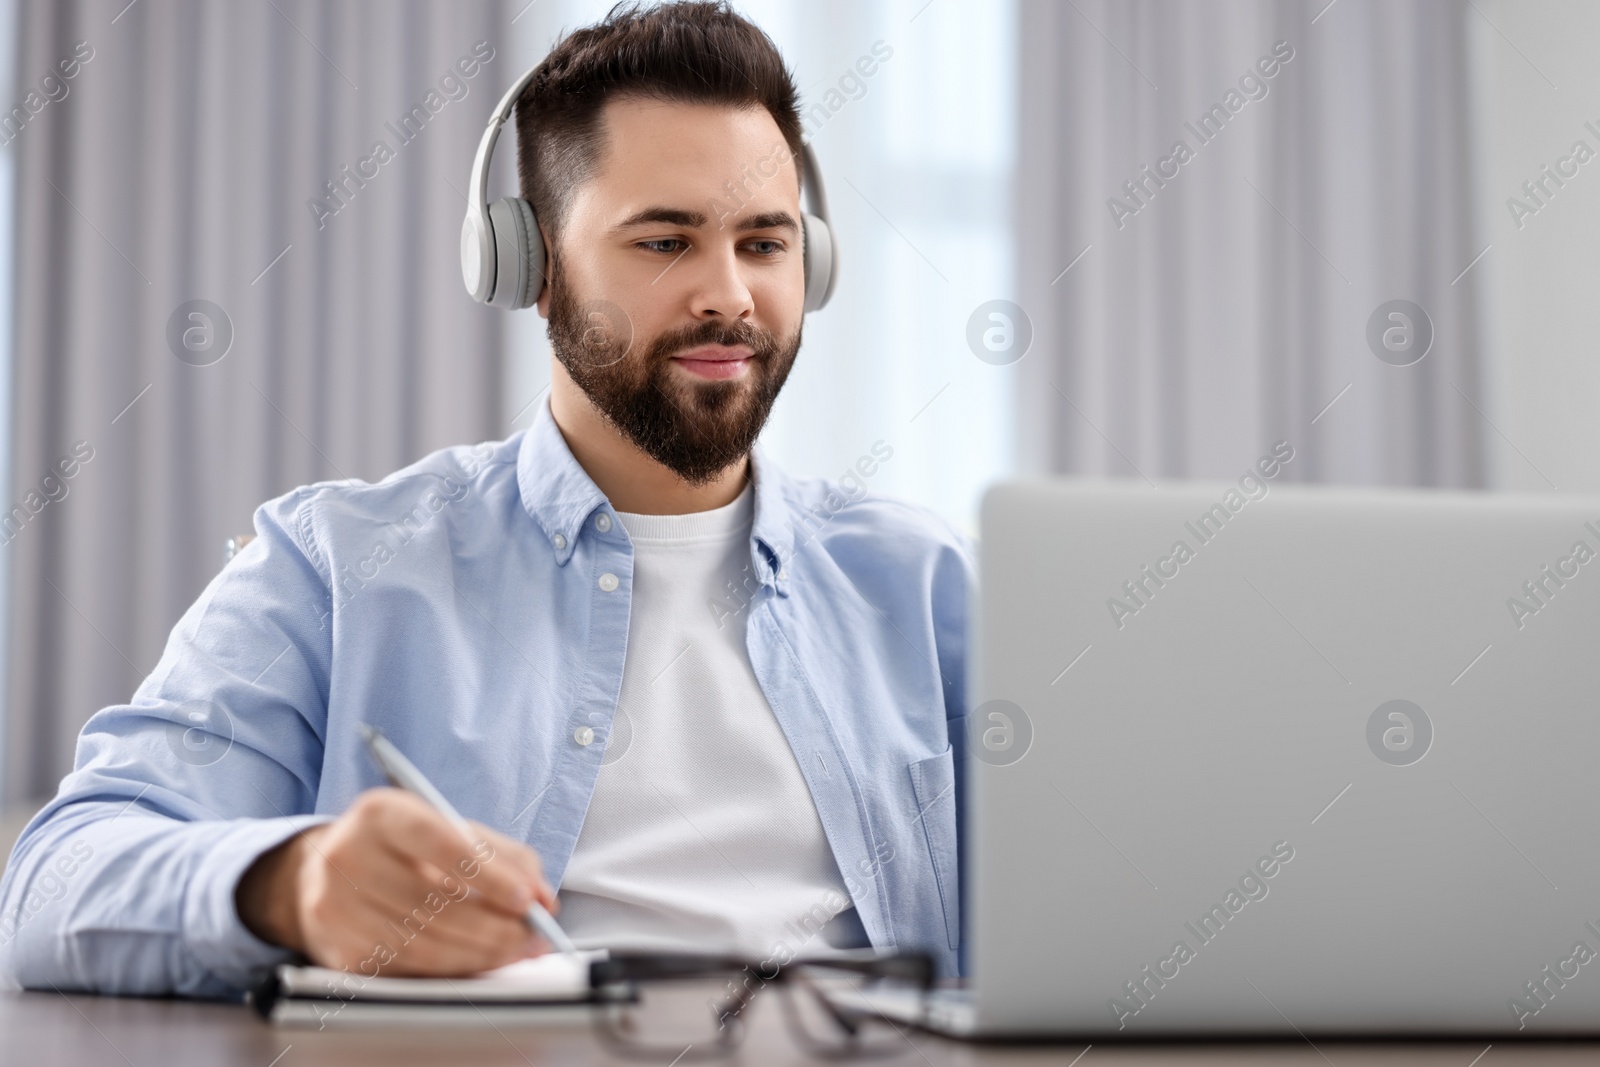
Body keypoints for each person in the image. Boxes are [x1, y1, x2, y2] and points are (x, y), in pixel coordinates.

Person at [0, 0, 970, 998]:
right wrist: (287, 885)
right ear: (532, 268)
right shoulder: (335, 564)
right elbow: (51, 884)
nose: (727, 294)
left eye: (764, 244)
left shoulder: (929, 584)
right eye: (664, 242)